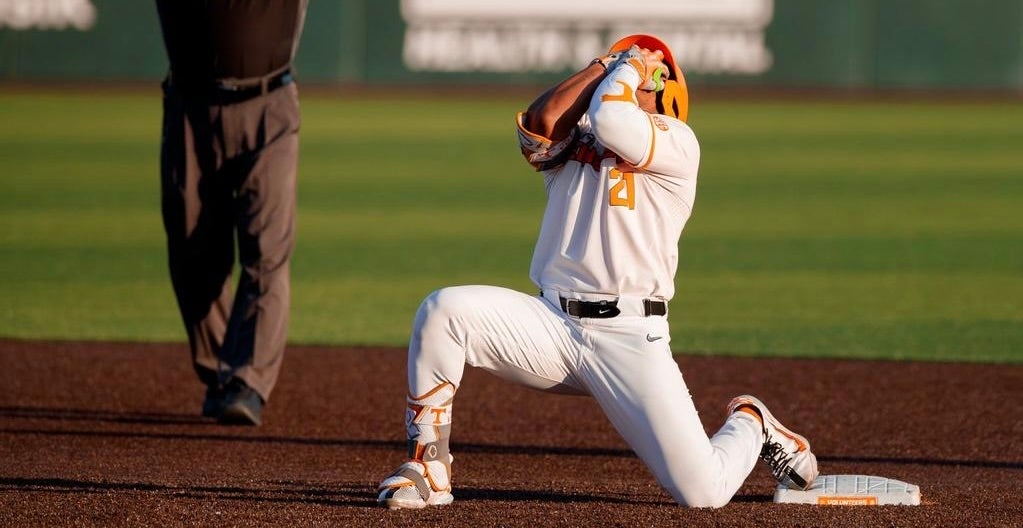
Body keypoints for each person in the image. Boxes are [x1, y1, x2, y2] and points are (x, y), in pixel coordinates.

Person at [376, 34, 819, 509]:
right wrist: (606, 63)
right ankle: (428, 467)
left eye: (657, 72)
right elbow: (538, 124)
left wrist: (630, 70)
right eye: (637, 66)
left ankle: (752, 422)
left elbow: (613, 119)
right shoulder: (575, 140)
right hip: (553, 326)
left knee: (703, 493)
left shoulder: (679, 144)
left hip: (629, 337)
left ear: (669, 95)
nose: (640, 72)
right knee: (444, 310)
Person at [155, 0, 308, 426]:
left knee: (268, 248)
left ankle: (248, 381)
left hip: (269, 103)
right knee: (192, 254)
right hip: (190, 107)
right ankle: (222, 372)